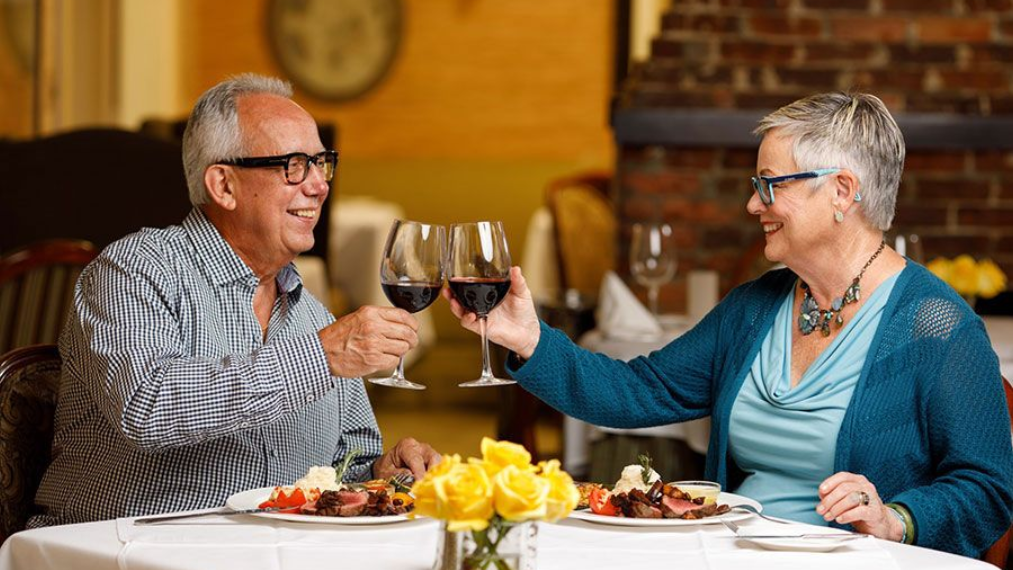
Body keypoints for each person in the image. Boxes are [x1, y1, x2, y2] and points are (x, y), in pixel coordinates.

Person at [446, 92, 1013, 557]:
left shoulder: (936, 325)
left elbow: (987, 491)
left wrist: (895, 518)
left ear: (842, 191)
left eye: (770, 184)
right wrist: (527, 338)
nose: (751, 203)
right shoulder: (755, 307)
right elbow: (637, 391)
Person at [30, 73, 440, 527]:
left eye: (322, 163)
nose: (320, 185)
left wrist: (385, 473)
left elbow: (348, 465)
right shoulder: (135, 269)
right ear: (223, 185)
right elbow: (148, 407)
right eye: (294, 165)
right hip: (122, 553)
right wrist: (321, 357)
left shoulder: (312, 313)